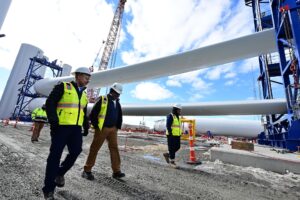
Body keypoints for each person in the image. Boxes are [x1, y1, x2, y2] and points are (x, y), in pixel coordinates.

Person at [42, 67, 91, 200]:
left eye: (89, 78)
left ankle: (60, 172)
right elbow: (50, 102)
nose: (88, 80)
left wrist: (86, 127)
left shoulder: (85, 95)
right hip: (61, 127)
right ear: (78, 76)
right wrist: (54, 121)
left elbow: (83, 112)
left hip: (75, 129)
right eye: (86, 77)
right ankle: (48, 189)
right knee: (54, 157)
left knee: (76, 151)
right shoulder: (64, 86)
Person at [82, 82, 124, 180]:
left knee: (114, 148)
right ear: (112, 91)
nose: (118, 95)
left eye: (119, 94)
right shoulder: (103, 99)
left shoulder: (117, 102)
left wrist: (117, 126)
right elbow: (93, 114)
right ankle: (87, 170)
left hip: (113, 129)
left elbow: (119, 115)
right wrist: (97, 126)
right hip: (102, 128)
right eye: (117, 93)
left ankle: (116, 171)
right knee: (95, 148)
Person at [163, 104, 182, 168]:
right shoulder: (170, 116)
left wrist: (180, 133)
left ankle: (167, 154)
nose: (180, 111)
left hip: (177, 135)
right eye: (179, 110)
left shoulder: (177, 117)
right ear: (175, 110)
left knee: (178, 147)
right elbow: (168, 125)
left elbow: (178, 127)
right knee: (172, 148)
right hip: (171, 135)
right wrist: (170, 133)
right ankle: (172, 162)